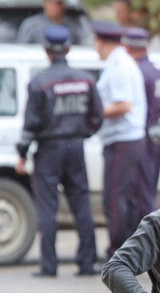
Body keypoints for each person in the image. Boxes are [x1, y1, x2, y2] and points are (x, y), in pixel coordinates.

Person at [14, 25, 104, 277]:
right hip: (75, 147)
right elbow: (97, 117)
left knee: (47, 206)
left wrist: (21, 153)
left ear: (46, 50)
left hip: (48, 150)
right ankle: (86, 263)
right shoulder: (85, 80)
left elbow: (30, 124)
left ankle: (49, 265)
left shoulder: (39, 83)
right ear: (68, 48)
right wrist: (83, 133)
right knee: (81, 202)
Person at [92, 20, 147, 258]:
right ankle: (127, 250)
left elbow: (123, 105)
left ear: (101, 42)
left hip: (122, 140)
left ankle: (118, 251)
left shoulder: (118, 66)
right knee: (123, 197)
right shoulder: (120, 62)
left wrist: (94, 112)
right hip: (124, 139)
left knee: (115, 198)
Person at [123, 27, 160, 216]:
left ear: (127, 48)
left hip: (143, 136)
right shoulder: (155, 71)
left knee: (140, 193)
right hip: (155, 134)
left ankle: (145, 239)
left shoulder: (137, 72)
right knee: (148, 189)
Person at [16, 0, 87, 45]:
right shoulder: (32, 25)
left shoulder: (72, 25)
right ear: (45, 3)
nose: (56, 7)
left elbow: (82, 46)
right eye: (53, 3)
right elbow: (22, 49)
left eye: (59, 3)